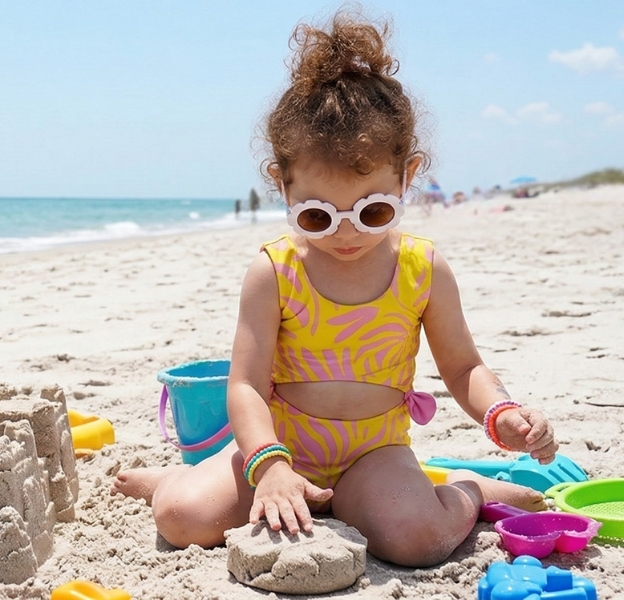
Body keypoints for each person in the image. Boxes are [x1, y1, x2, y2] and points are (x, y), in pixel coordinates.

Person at [113, 8, 558, 568]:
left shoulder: (423, 269)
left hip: (374, 457)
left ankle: (467, 490)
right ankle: (175, 479)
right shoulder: (276, 271)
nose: (347, 233)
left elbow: (464, 367)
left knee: (417, 540)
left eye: (373, 211)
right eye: (318, 216)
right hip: (281, 448)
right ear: (283, 185)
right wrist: (270, 465)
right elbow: (246, 386)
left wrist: (501, 413)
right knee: (181, 518)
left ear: (407, 176)